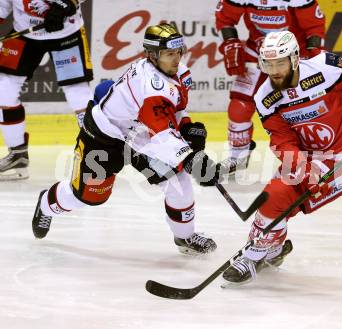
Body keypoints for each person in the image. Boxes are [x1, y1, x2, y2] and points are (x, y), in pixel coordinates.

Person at [222, 31, 342, 284]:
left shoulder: (323, 69)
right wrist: (303, 168)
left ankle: (255, 255)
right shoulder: (265, 97)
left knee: (280, 199)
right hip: (307, 158)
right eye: (268, 64)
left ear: (295, 58)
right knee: (273, 199)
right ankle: (270, 250)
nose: (273, 70)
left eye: (280, 63)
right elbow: (282, 140)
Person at [31, 23, 223, 255]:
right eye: (169, 54)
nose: (176, 59)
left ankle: (185, 236)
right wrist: (192, 158)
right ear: (152, 56)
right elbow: (163, 134)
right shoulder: (150, 86)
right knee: (87, 198)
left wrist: (187, 126)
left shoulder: (180, 73)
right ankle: (46, 204)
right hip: (105, 136)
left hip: (141, 138)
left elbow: (175, 109)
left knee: (178, 182)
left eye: (179, 52)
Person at [215, 0, 325, 174]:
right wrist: (230, 43)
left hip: (292, 56)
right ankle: (238, 157)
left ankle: (305, 158)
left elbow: (314, 28)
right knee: (239, 106)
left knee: (300, 108)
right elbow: (225, 19)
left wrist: (313, 57)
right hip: (257, 53)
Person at [0, 0, 93, 180]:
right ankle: (17, 154)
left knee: (77, 93)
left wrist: (69, 4)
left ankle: (95, 153)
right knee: (3, 89)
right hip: (25, 33)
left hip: (66, 33)